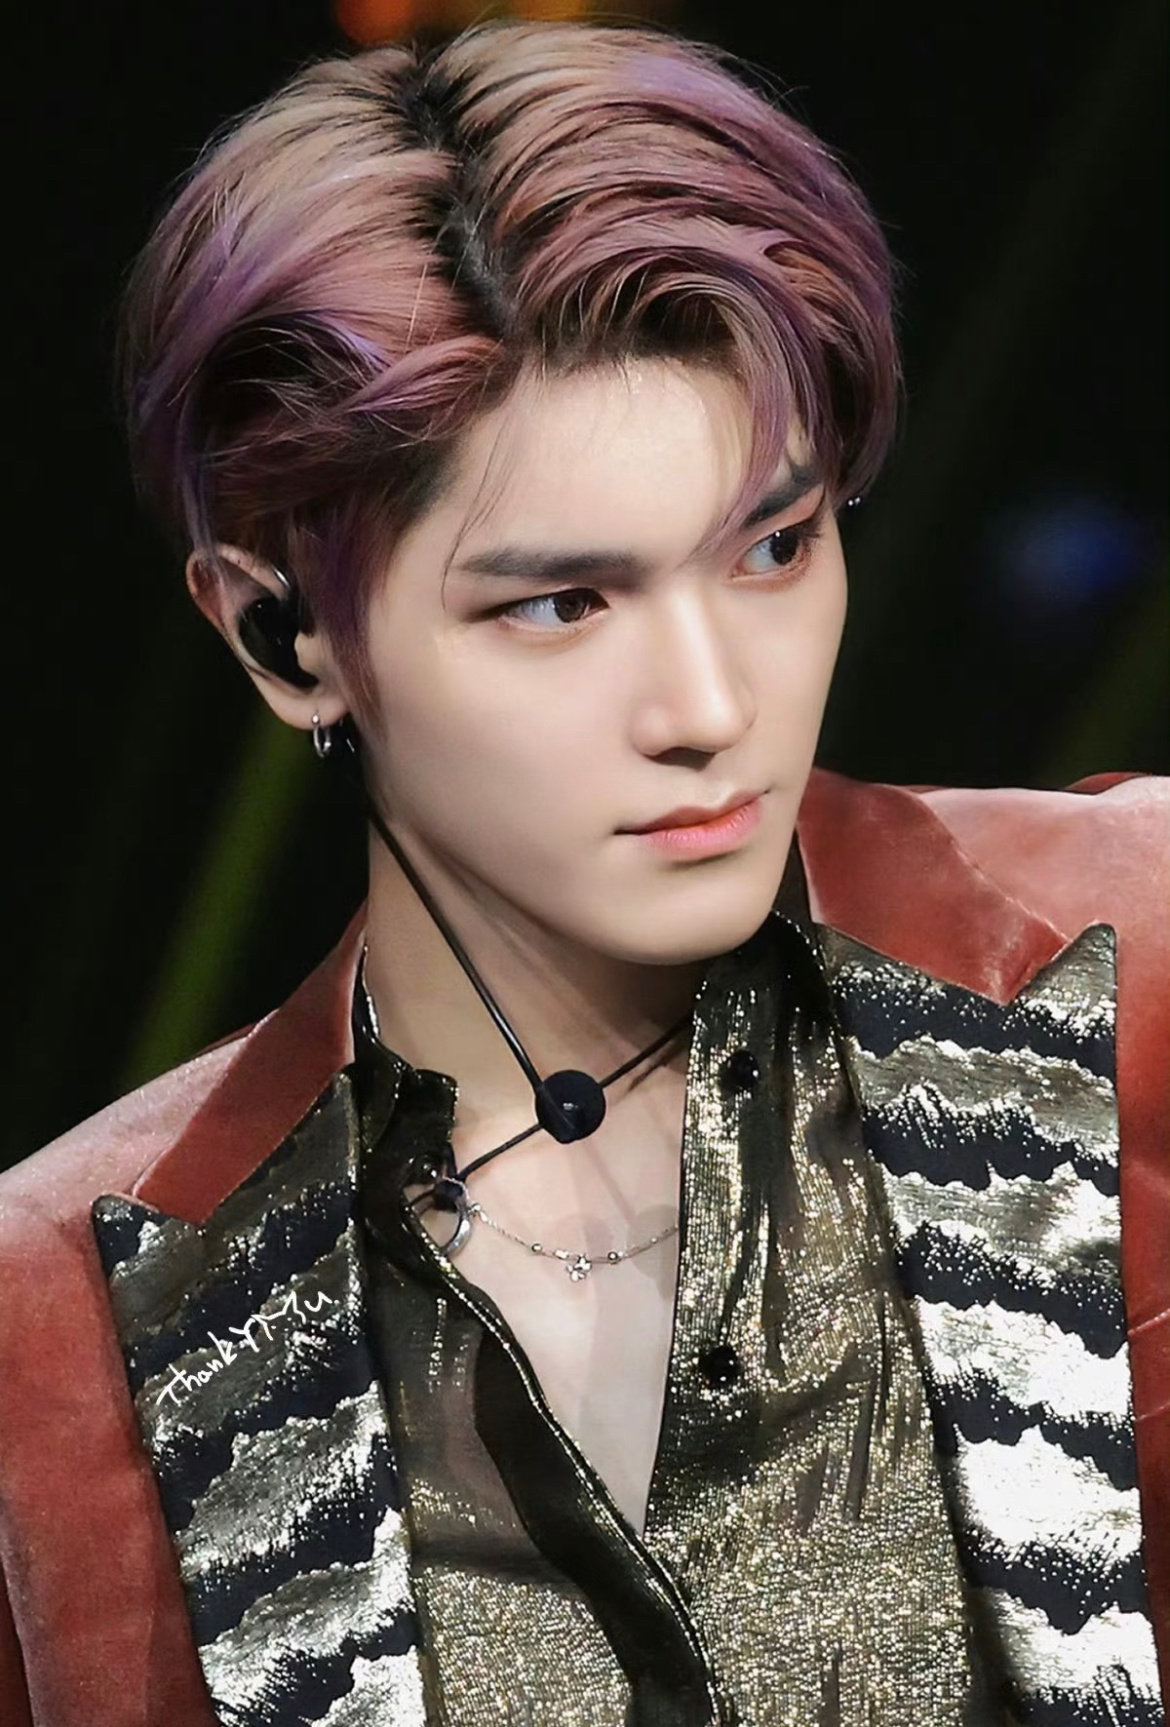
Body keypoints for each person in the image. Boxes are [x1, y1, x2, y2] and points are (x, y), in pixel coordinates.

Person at [0, 20, 1165, 1727]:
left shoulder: (1137, 952)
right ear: (280, 635)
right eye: (560, 603)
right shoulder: (50, 1329)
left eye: (773, 547)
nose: (709, 709)